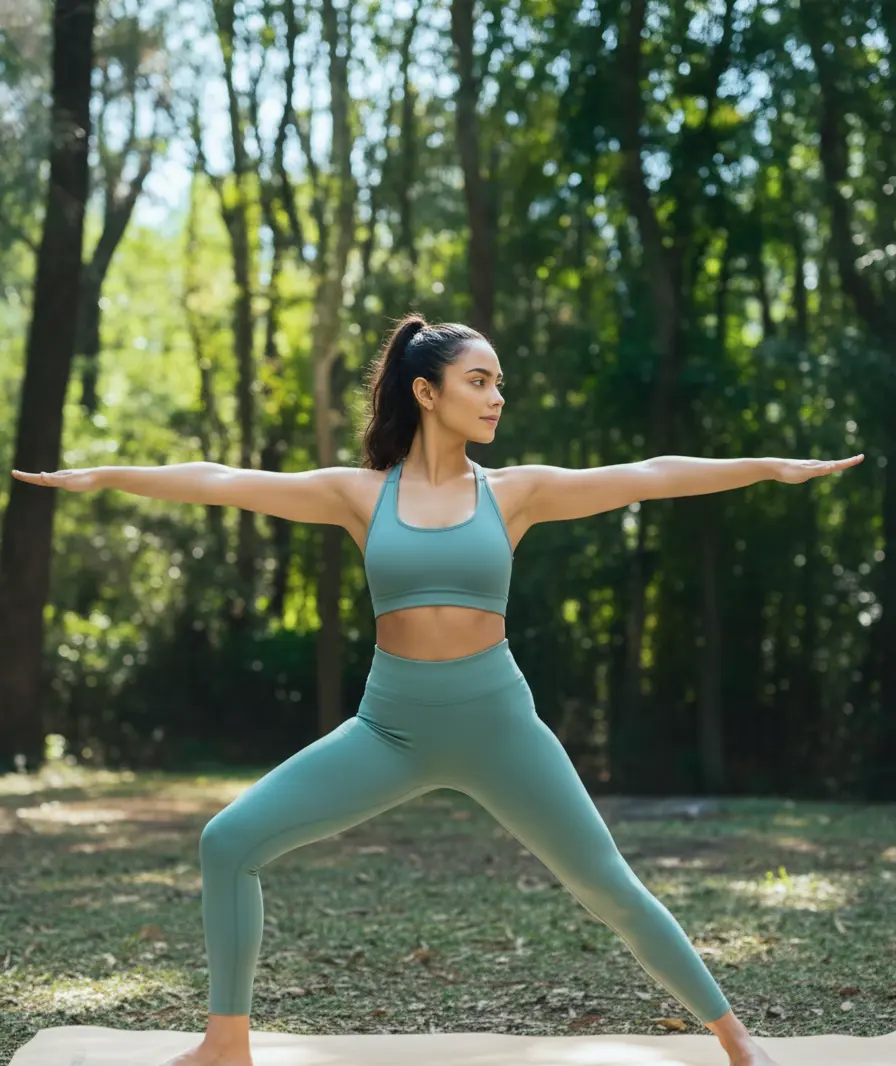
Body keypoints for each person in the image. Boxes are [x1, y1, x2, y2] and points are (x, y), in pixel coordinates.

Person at [13, 313, 862, 1066]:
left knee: (608, 886)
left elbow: (648, 473)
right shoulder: (359, 494)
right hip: (390, 728)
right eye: (479, 381)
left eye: (499, 383)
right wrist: (107, 475)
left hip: (499, 724)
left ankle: (738, 1042)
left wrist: (767, 467)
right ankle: (225, 1042)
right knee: (228, 842)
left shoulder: (514, 492)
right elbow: (223, 481)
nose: (497, 397)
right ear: (427, 391)